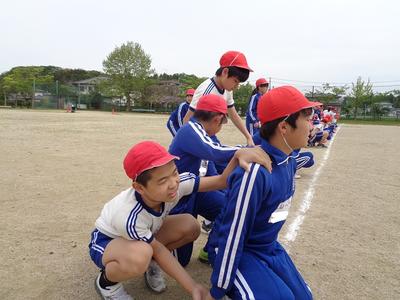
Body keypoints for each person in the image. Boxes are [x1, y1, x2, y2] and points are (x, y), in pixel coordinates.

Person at [88, 141, 270, 300]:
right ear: (139, 188)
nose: (173, 183)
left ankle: (149, 265)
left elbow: (221, 181)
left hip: (144, 235)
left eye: (174, 173)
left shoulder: (177, 185)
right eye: (162, 181)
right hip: (107, 242)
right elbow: (157, 250)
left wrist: (238, 155)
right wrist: (193, 287)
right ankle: (106, 284)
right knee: (141, 254)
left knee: (190, 225)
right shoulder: (128, 215)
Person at [207, 86, 321, 300]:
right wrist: (217, 289)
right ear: (284, 127)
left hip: (268, 247)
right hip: (240, 251)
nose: (312, 125)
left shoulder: (288, 161)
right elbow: (233, 233)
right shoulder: (255, 172)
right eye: (307, 118)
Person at [169, 94, 272, 266]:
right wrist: (245, 151)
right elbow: (215, 152)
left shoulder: (205, 133)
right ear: (218, 119)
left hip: (197, 190)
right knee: (181, 261)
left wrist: (227, 192)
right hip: (178, 195)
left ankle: (210, 251)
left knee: (228, 208)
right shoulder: (190, 130)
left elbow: (214, 167)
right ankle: (154, 259)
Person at [182, 50, 255, 146]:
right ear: (225, 72)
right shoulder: (206, 91)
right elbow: (187, 120)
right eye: (235, 81)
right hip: (198, 137)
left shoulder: (227, 89)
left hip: (209, 135)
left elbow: (233, 114)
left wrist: (248, 136)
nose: (236, 87)